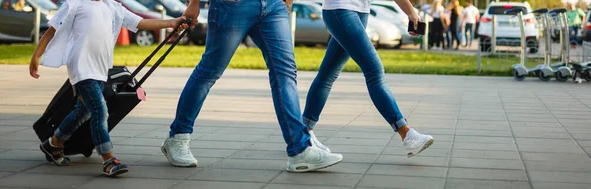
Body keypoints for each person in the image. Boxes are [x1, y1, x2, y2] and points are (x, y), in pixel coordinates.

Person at [161, 0, 343, 172]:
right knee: (209, 71)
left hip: (273, 6)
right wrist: (194, 3)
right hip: (232, 5)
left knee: (285, 71)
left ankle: (300, 150)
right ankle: (178, 137)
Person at [29, 0, 187, 177]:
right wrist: (36, 56)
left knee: (83, 112)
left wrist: (172, 23)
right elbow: (52, 30)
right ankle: (108, 159)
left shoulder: (112, 8)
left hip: (100, 69)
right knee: (99, 110)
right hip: (81, 67)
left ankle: (53, 143)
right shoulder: (75, 4)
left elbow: (140, 22)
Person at [302, 0, 434, 158]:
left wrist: (410, 12)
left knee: (327, 75)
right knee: (374, 72)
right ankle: (406, 134)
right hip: (341, 9)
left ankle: (303, 133)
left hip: (360, 11)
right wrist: (411, 12)